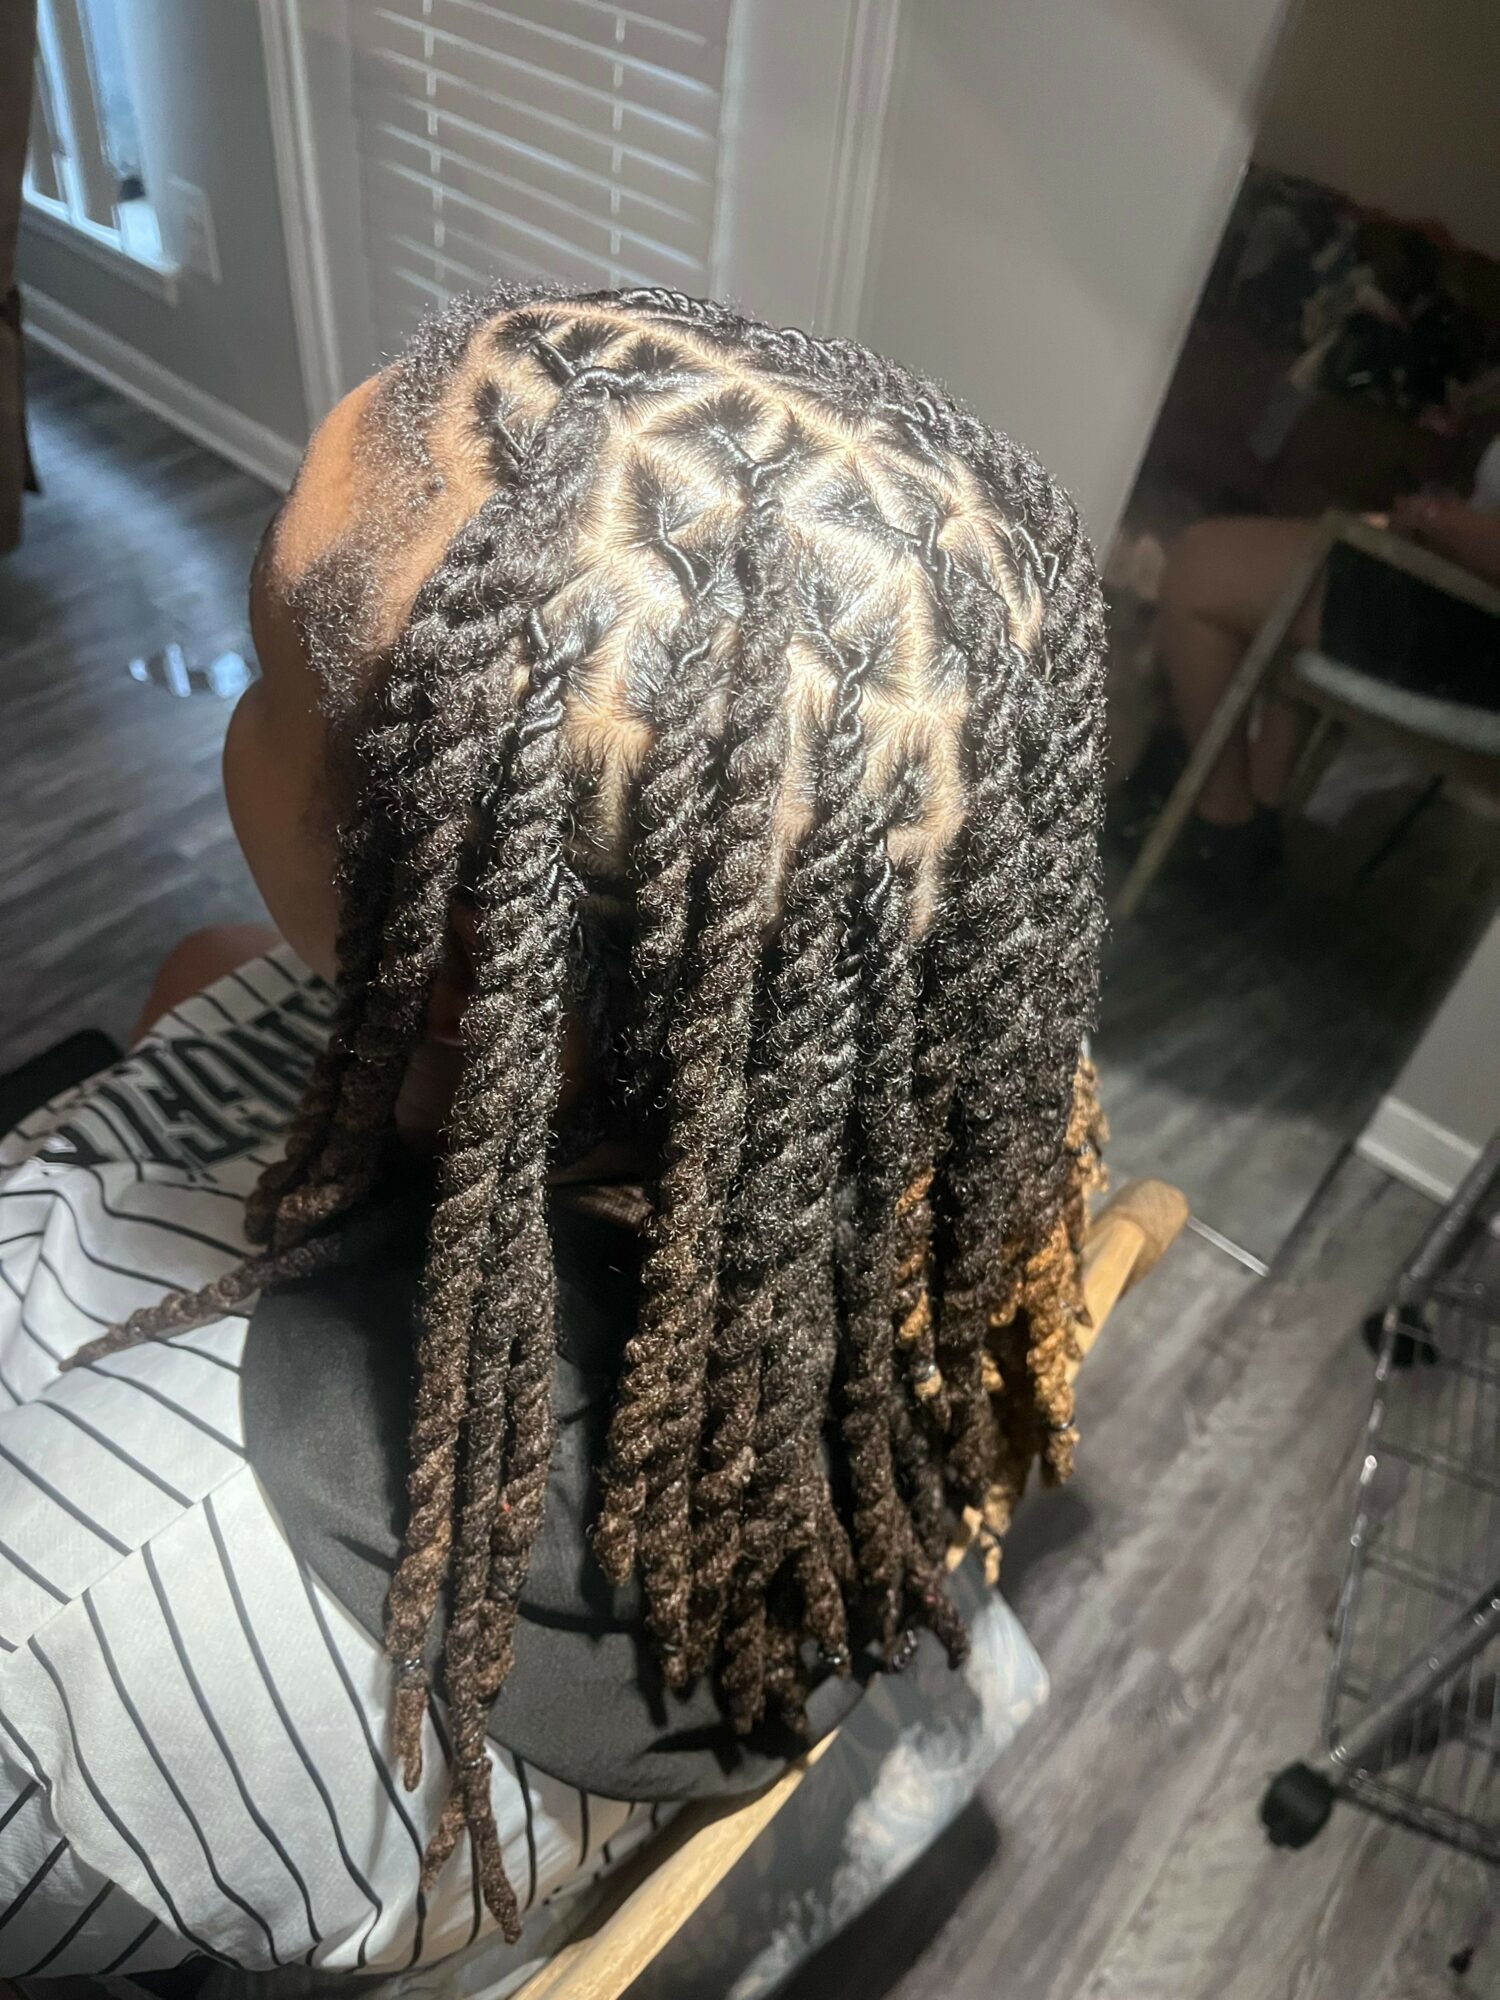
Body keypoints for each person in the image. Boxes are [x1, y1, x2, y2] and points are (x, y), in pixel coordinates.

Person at [0, 285, 1105, 1975]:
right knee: (199, 969)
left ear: (457, 960)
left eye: (252, 660)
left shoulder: (82, 1594)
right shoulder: (946, 1167)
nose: (238, 693)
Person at [1153, 443, 1500, 887]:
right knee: (1281, 568)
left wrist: (1439, 520)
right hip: (1460, 589)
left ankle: (1224, 821)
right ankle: (1257, 810)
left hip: (1476, 629)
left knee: (1201, 564)